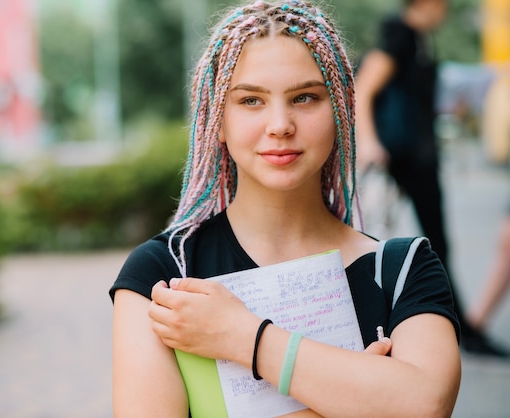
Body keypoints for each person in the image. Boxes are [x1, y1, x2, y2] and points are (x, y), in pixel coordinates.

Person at [110, 1, 461, 416]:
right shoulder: (164, 275)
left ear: (340, 111)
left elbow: (426, 405)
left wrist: (244, 338)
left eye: (305, 97)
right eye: (251, 101)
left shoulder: (403, 269)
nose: (280, 124)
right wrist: (350, 399)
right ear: (216, 120)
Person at [354, 0, 507, 357]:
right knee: (408, 241)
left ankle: (461, 329)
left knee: (431, 242)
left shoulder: (418, 38)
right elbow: (365, 87)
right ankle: (456, 331)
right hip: (402, 156)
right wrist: (371, 142)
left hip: (415, 155)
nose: (447, 9)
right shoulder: (400, 35)